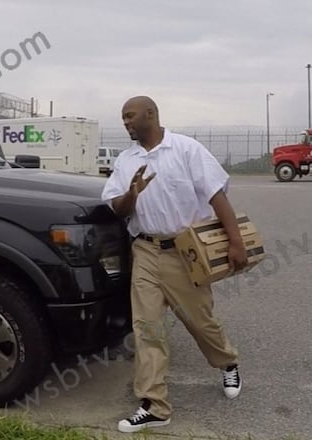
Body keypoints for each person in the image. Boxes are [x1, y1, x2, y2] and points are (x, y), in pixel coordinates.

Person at [101, 96, 248, 434]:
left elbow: (216, 196)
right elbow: (118, 210)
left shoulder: (185, 149)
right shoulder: (126, 161)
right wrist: (131, 195)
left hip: (185, 253)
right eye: (123, 117)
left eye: (130, 116)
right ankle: (155, 405)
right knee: (147, 328)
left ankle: (227, 362)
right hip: (146, 253)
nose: (126, 122)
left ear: (150, 114)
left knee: (200, 322)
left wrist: (236, 242)